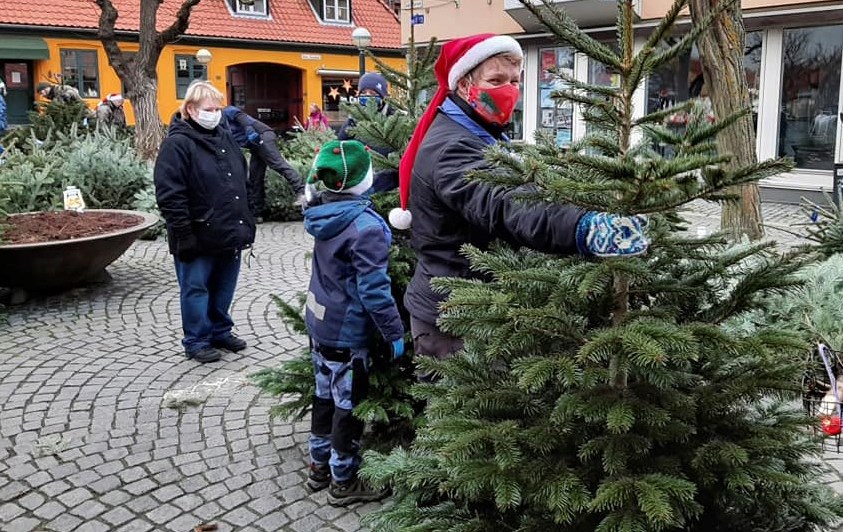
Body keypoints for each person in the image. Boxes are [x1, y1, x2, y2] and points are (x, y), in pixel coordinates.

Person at [389, 33, 649, 364]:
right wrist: (586, 228)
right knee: (467, 410)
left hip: (472, 301)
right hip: (454, 315)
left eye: (514, 80)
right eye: (496, 80)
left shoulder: (475, 132)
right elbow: (506, 203)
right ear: (465, 86)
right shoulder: (452, 149)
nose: (509, 89)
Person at [302, 139, 404, 506]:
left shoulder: (323, 209)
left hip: (319, 323)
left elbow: (359, 186)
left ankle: (318, 467)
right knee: (348, 404)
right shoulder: (366, 228)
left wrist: (399, 176)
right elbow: (375, 290)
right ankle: (343, 480)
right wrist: (394, 332)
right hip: (347, 334)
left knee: (323, 395)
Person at [153, 81, 255, 364]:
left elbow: (238, 179)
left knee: (224, 287)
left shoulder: (224, 138)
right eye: (208, 109)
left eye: (218, 108)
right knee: (196, 288)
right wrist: (183, 232)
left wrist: (247, 214)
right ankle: (197, 340)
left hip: (227, 230)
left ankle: (220, 330)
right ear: (190, 110)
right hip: (196, 233)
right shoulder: (177, 144)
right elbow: (170, 193)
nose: (215, 113)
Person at [222, 105, 305, 222]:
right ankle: (257, 213)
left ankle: (302, 191)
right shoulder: (219, 128)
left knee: (277, 164)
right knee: (255, 178)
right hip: (253, 145)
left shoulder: (227, 111)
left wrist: (251, 132)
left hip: (262, 135)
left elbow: (243, 119)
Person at [338, 72, 398, 192]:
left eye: (373, 93)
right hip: (358, 184)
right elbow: (340, 147)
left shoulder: (395, 119)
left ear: (383, 97)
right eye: (364, 93)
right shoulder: (353, 120)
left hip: (387, 187)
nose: (368, 96)